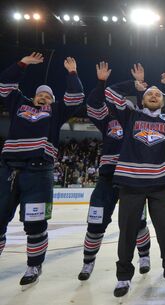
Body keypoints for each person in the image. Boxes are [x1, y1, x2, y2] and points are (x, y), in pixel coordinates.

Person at [105, 64, 165, 297]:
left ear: (163, 101)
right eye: (149, 94)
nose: (153, 95)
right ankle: (123, 277)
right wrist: (133, 84)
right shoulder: (130, 115)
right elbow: (110, 94)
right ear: (142, 100)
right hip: (131, 184)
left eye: (157, 94)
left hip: (160, 185)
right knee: (127, 233)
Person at [0, 53, 84, 288]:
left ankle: (34, 264)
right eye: (40, 94)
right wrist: (22, 64)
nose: (43, 97)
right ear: (33, 96)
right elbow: (5, 83)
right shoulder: (19, 103)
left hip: (39, 172)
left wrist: (72, 74)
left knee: (35, 224)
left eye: (47, 95)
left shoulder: (56, 111)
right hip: (7, 170)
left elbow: (76, 97)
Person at [77, 62, 151, 281]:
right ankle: (88, 262)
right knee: (96, 221)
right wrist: (101, 83)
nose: (122, 109)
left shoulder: (137, 120)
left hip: (131, 179)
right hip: (107, 178)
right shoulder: (106, 119)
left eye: (126, 107)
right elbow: (93, 103)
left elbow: (146, 107)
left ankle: (144, 256)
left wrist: (141, 90)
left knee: (138, 223)